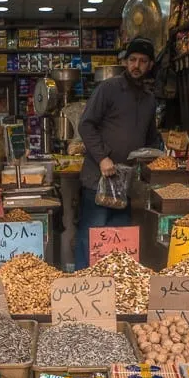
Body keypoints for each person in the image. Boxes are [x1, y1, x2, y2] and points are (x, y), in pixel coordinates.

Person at [75, 37, 159, 270]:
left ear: (150, 65)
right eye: (132, 60)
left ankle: (118, 287)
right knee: (94, 233)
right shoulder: (109, 89)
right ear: (125, 62)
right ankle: (83, 282)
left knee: (121, 238)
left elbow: (150, 137)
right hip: (98, 178)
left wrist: (155, 158)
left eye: (143, 61)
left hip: (126, 181)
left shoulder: (149, 99)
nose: (136, 65)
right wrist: (102, 157)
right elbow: (86, 125)